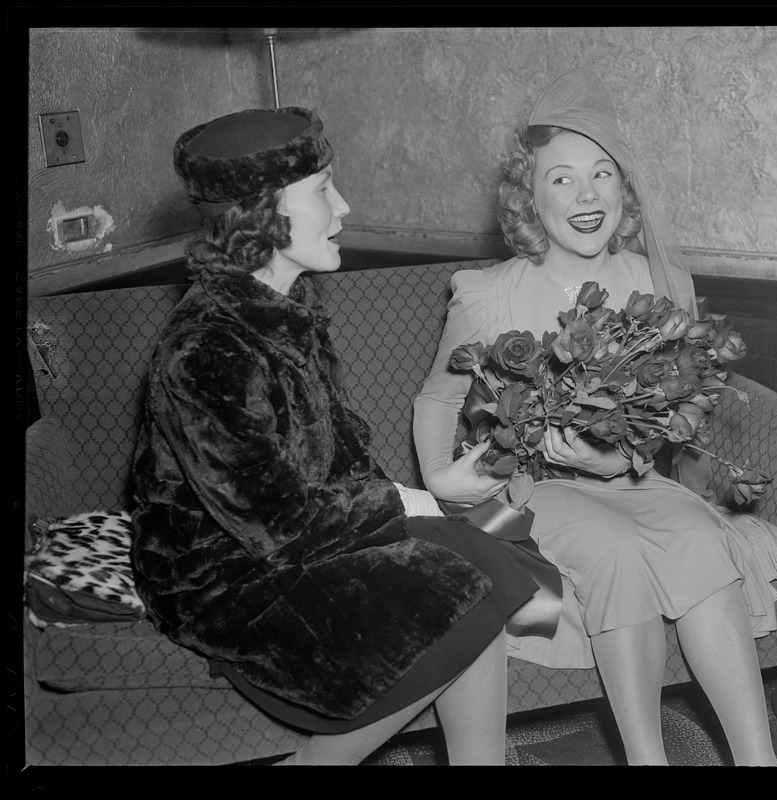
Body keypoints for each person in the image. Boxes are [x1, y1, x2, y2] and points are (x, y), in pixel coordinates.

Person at [130, 106, 537, 766]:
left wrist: (430, 493)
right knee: (451, 591)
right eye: (322, 190)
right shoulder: (206, 347)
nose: (344, 208)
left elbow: (334, 463)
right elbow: (277, 522)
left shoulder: (288, 310)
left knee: (484, 558)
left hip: (299, 539)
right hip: (224, 579)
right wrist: (406, 503)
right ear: (262, 212)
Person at [414, 69, 777, 766]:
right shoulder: (486, 295)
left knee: (700, 540)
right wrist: (441, 477)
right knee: (616, 553)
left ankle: (758, 762)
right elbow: (436, 399)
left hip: (629, 481)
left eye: (602, 174)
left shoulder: (658, 282)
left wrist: (616, 460)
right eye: (561, 179)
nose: (586, 196)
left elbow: (671, 416)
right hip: (525, 490)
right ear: (529, 195)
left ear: (625, 188)